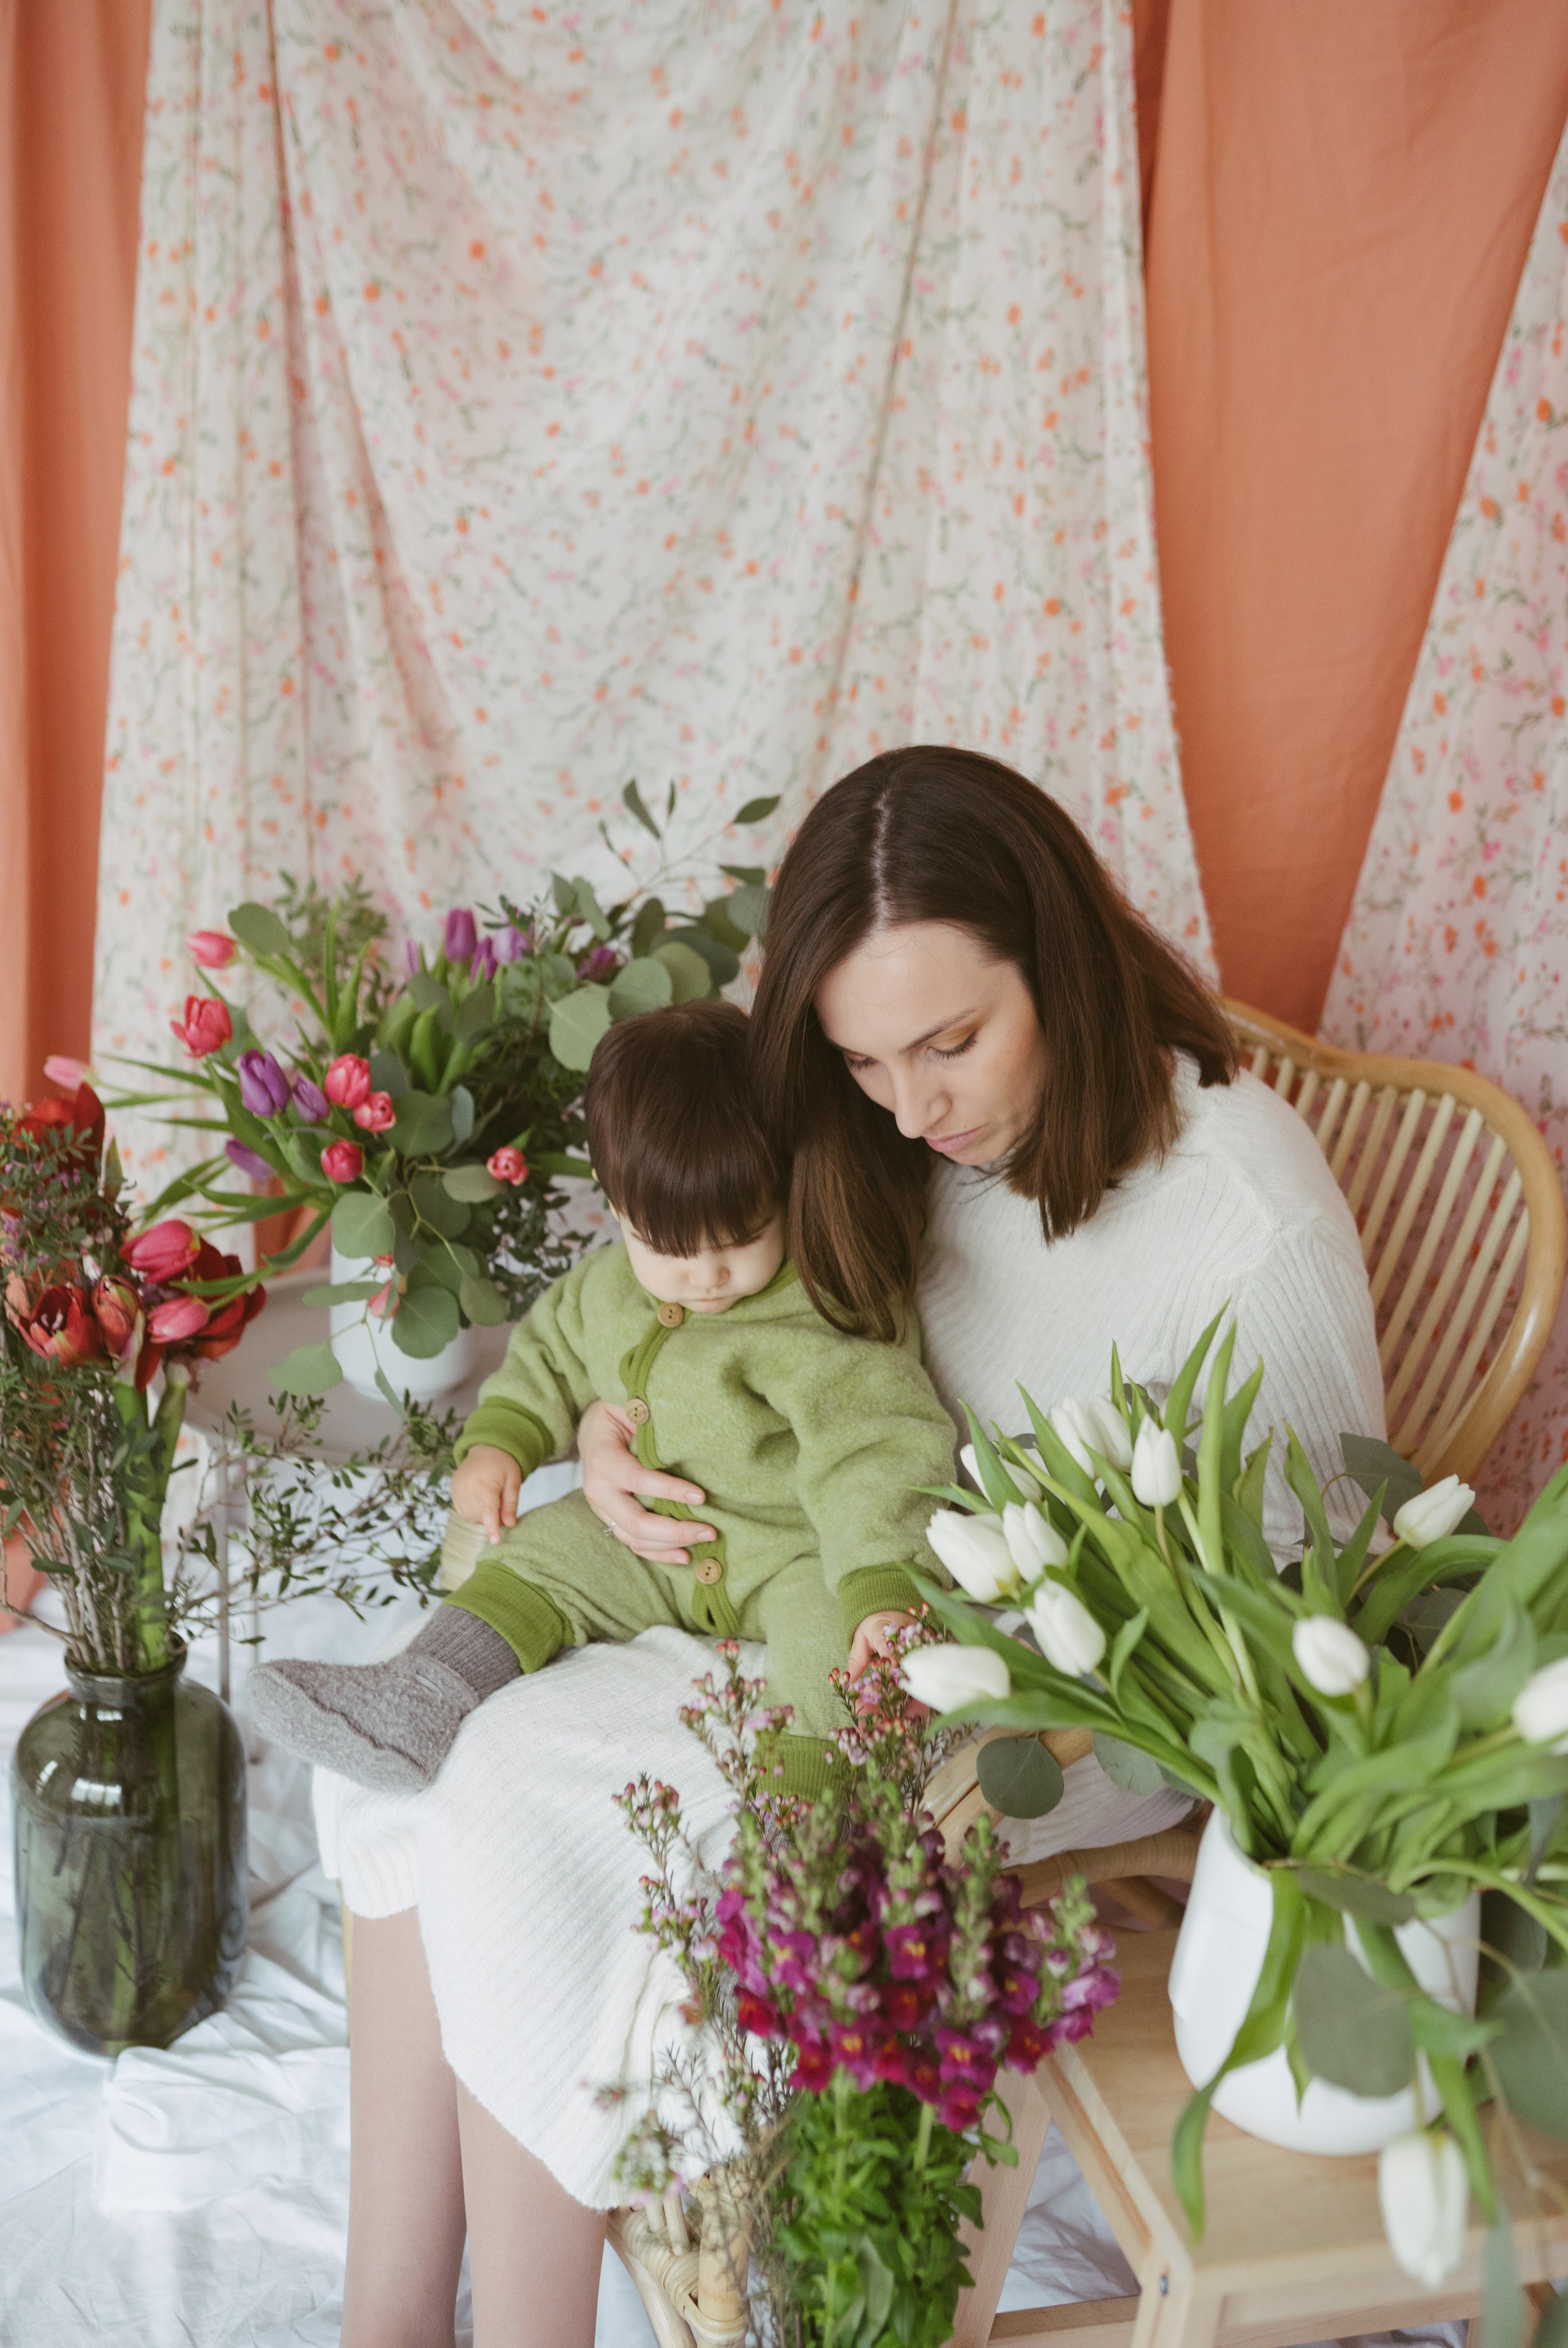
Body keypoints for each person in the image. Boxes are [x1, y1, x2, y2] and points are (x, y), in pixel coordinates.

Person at [318, 747, 1384, 2348]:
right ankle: (390, 2321)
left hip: (1008, 1700)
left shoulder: (1245, 1231)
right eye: (863, 1059)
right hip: (795, 1561)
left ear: (1062, 961)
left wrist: (949, 1684)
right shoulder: (888, 1122)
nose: (911, 1108)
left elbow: (1299, 1651)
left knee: (515, 1798)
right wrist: (609, 1423)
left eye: (951, 1042)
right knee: (403, 1754)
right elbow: (725, 1308)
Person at [249, 998, 956, 1797]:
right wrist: (501, 1442)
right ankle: (416, 1697)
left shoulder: (824, 1308)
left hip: (791, 1558)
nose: (707, 1276)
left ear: (785, 1180)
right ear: (615, 1203)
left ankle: (802, 1822)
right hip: (646, 1552)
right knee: (539, 1554)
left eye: (741, 1237)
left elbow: (876, 1450)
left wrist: (883, 1589)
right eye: (668, 1247)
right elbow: (549, 1359)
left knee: (834, 1656)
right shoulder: (605, 1289)